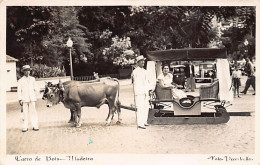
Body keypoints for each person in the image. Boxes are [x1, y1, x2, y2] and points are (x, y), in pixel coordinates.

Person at [131, 55, 152, 129]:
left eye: (143, 61)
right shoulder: (135, 72)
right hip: (139, 92)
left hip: (145, 91)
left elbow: (147, 82)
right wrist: (138, 91)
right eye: (141, 61)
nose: (143, 62)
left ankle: (144, 121)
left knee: (146, 106)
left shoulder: (145, 71)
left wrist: (149, 89)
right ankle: (140, 123)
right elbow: (136, 83)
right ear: (138, 62)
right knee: (140, 107)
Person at [17, 65, 39, 132]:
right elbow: (19, 90)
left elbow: (35, 88)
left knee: (33, 112)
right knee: (25, 113)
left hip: (32, 98)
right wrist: (20, 99)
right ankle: (25, 126)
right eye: (26, 70)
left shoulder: (33, 79)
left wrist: (38, 93)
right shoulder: (20, 80)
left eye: (28, 70)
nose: (27, 72)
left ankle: (35, 125)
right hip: (24, 98)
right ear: (23, 71)